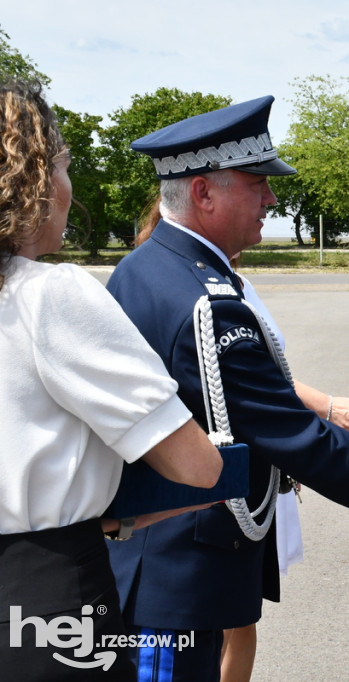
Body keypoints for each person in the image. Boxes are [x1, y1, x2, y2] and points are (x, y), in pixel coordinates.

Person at [104, 95, 349, 681]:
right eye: (256, 182)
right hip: (179, 570)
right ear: (203, 193)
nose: (271, 197)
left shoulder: (149, 268)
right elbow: (293, 434)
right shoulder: (202, 301)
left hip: (167, 556)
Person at [0, 78, 224, 680]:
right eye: (65, 166)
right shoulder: (48, 294)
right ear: (34, 179)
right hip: (43, 599)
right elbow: (196, 467)